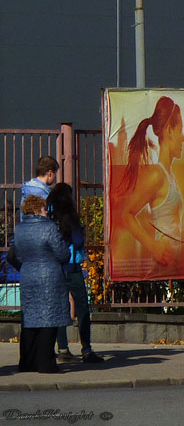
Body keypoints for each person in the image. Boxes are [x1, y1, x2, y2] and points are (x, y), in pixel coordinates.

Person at [112, 96, 184, 273]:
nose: (182, 138)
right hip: (162, 267)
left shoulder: (170, 175)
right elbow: (127, 214)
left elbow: (170, 225)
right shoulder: (157, 175)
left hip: (173, 267)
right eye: (180, 130)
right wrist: (152, 246)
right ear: (169, 131)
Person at [10, 194, 71, 373]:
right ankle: (46, 364)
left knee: (29, 322)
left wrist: (27, 265)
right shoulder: (49, 228)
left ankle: (27, 363)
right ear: (37, 210)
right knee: (48, 321)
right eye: (44, 209)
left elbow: (14, 256)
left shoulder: (20, 229)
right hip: (49, 278)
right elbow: (63, 254)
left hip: (28, 276)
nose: (47, 212)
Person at [46, 183, 104, 364]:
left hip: (55, 267)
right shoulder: (70, 217)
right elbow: (78, 241)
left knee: (60, 308)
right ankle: (86, 349)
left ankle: (62, 348)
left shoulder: (49, 216)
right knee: (82, 309)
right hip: (72, 267)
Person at [20, 156, 59, 221]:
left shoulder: (27, 188)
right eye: (55, 173)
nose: (55, 177)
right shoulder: (42, 193)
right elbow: (51, 214)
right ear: (50, 173)